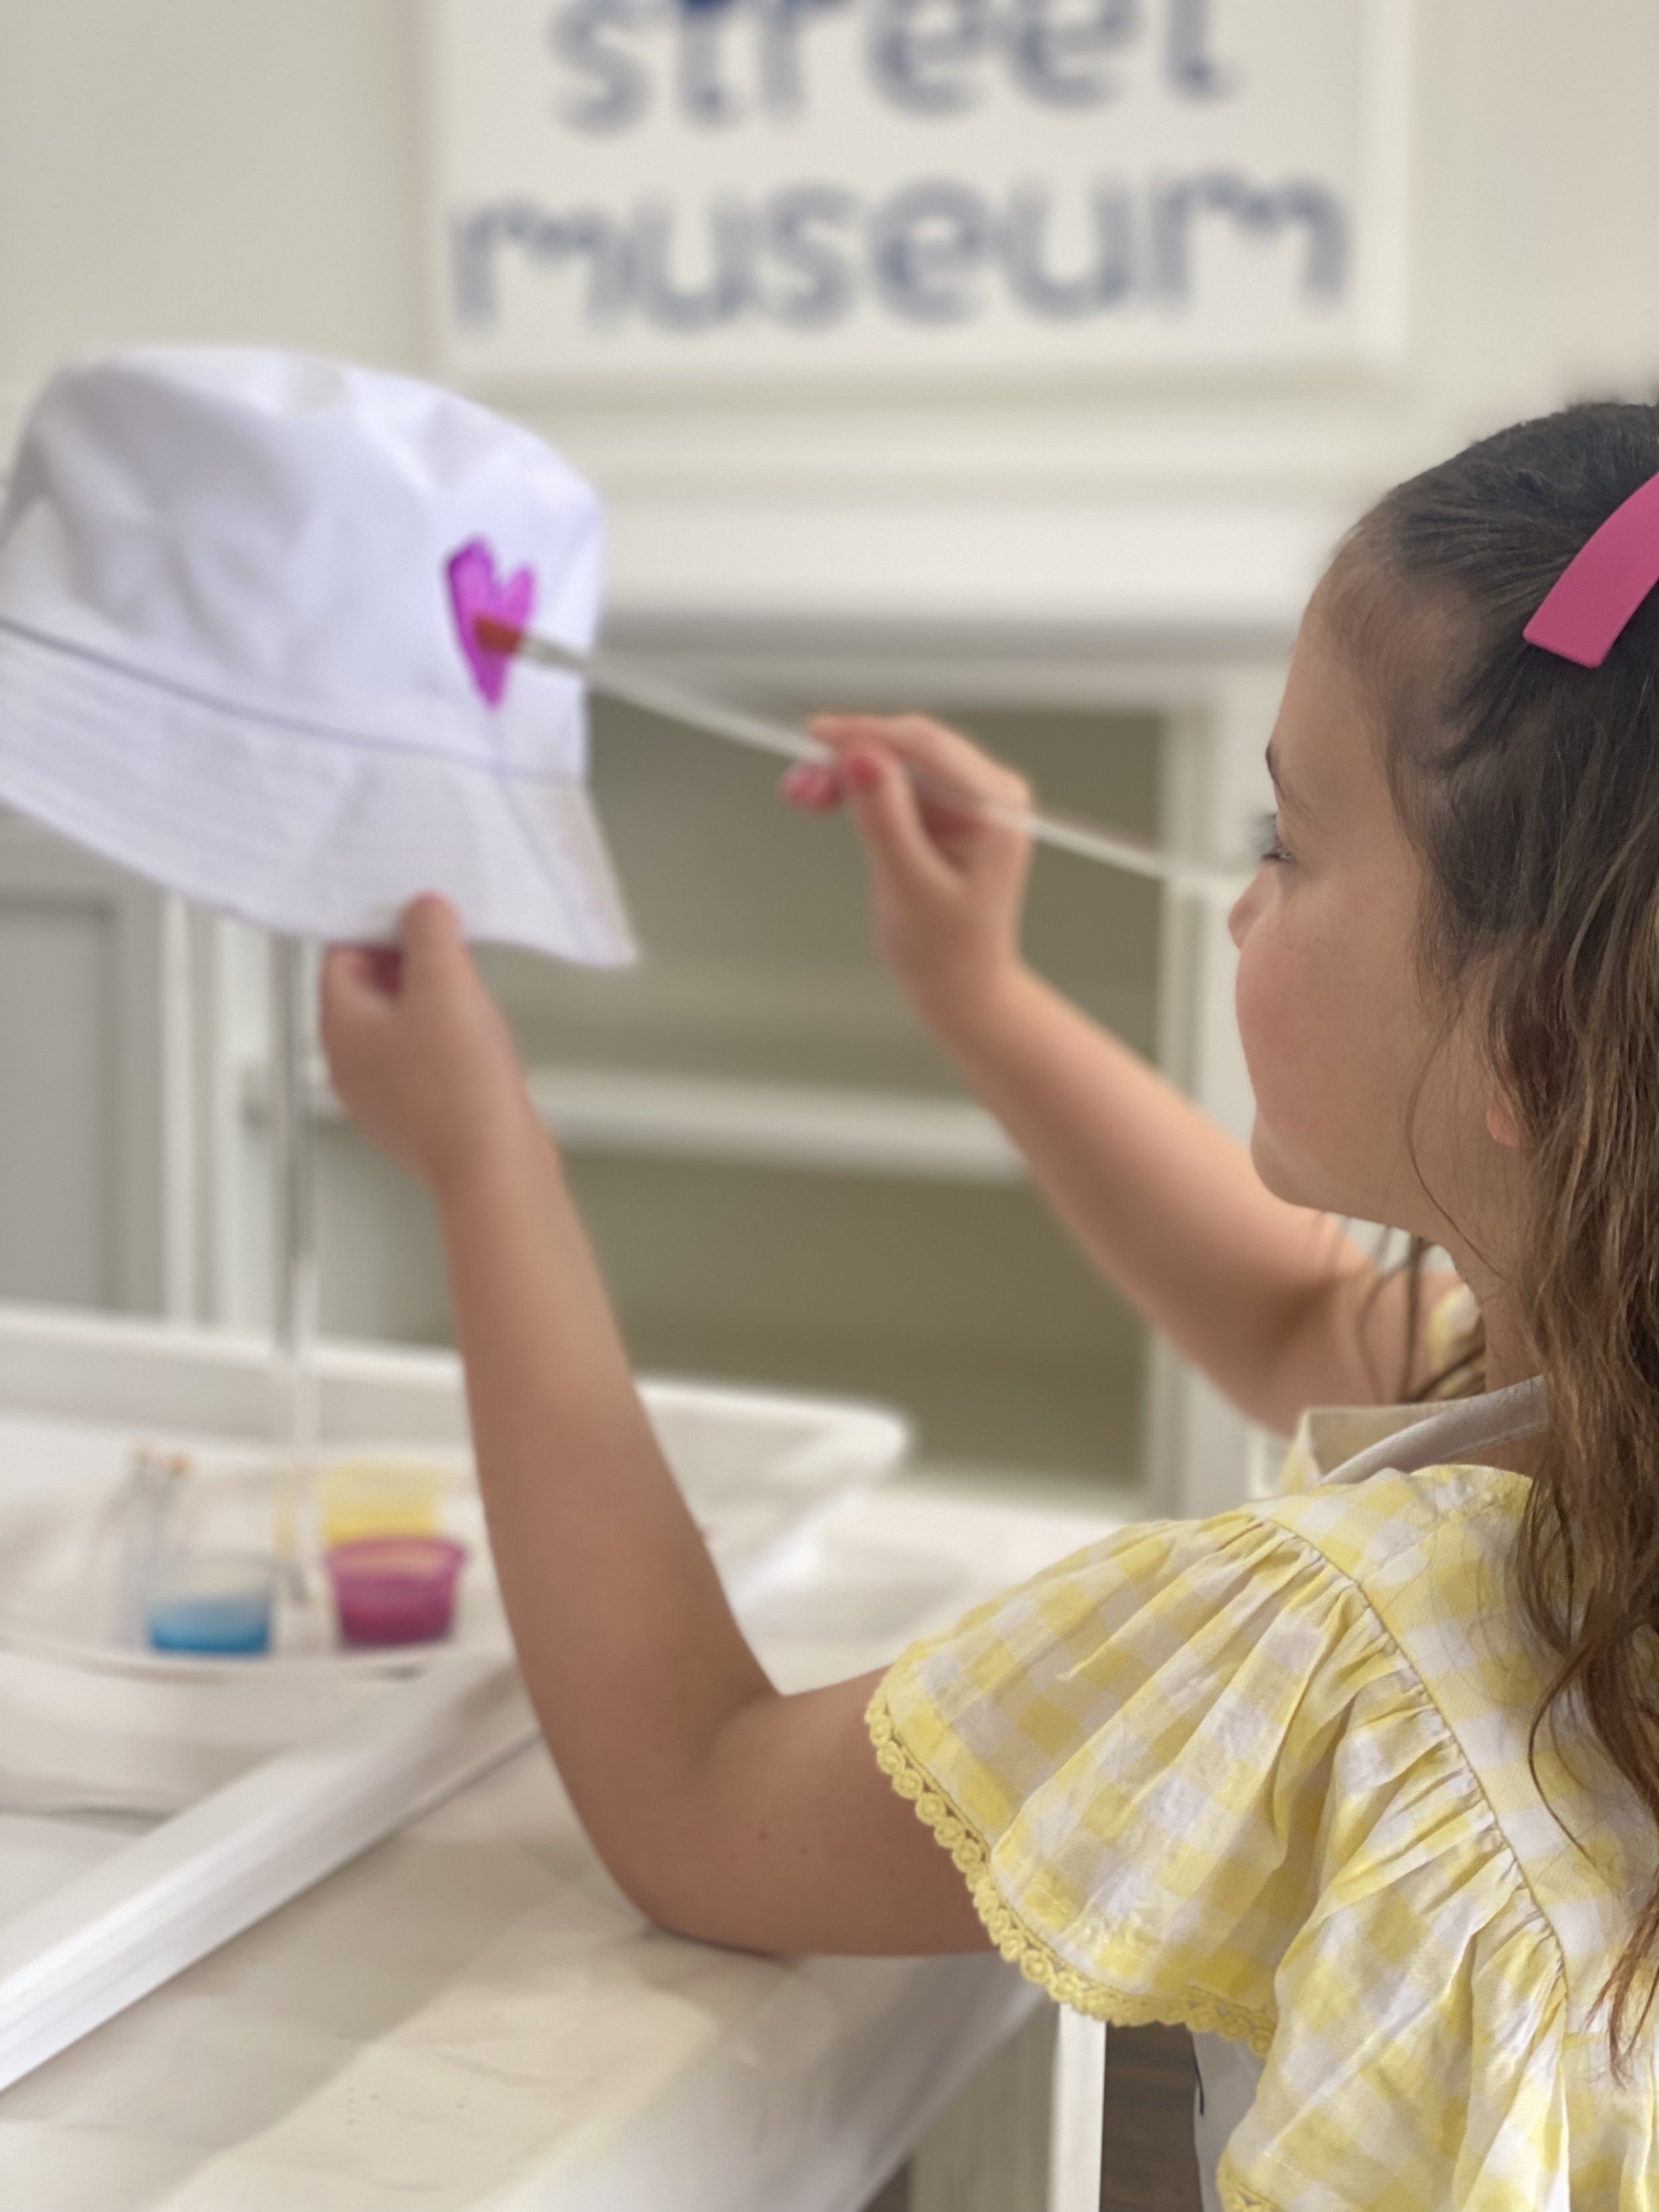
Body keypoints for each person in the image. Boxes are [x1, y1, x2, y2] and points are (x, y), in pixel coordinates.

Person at [320, 404, 1659, 2209]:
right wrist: (975, 990)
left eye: (1286, 837)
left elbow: (699, 1804)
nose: (1237, 909)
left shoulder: (1342, 1643)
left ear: (1532, 1039)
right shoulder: (1601, 1397)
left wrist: (481, 1161)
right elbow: (1285, 1321)